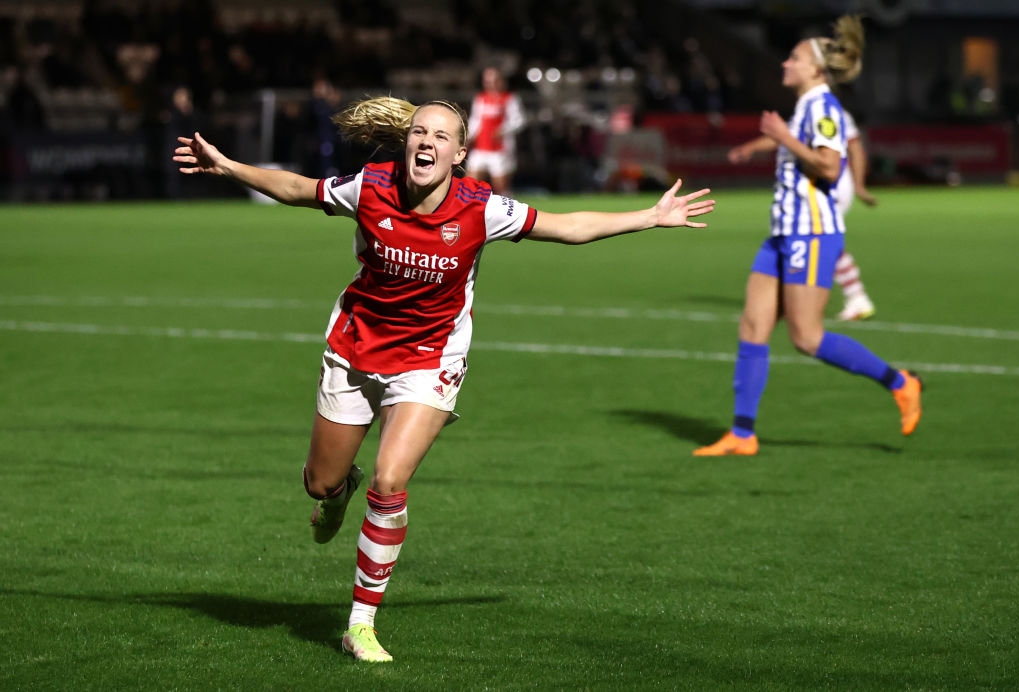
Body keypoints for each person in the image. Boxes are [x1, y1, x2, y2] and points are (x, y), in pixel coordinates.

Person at [173, 96, 715, 662]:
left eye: (440, 136)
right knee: (320, 483)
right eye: (418, 132)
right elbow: (296, 188)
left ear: (459, 154)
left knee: (390, 482)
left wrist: (648, 217)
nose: (426, 142)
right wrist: (228, 166)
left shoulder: (482, 208)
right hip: (356, 347)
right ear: (406, 142)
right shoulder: (371, 186)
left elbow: (568, 226)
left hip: (430, 359)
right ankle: (337, 491)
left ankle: (360, 625)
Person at [694, 15, 922, 457]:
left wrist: (783, 137)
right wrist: (771, 141)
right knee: (753, 326)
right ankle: (742, 434)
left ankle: (900, 383)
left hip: (812, 234)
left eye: (793, 58)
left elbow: (830, 167)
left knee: (807, 338)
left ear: (816, 69)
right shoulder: (805, 107)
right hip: (783, 234)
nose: (785, 63)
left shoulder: (824, 108)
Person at [729, 109, 878, 321]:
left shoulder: (825, 109)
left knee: (813, 238)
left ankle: (853, 298)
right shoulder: (811, 108)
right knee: (816, 239)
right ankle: (848, 297)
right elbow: (784, 138)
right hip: (820, 188)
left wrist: (860, 185)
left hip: (828, 188)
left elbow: (854, 147)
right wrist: (751, 147)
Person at [465, 67, 524, 196]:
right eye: (488, 81)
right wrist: (468, 137)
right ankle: (473, 207)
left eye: (495, 81)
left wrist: (503, 130)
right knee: (470, 184)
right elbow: (475, 121)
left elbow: (519, 121)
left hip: (500, 150)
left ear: (502, 81)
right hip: (480, 147)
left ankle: (508, 207)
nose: (491, 84)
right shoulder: (480, 99)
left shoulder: (509, 99)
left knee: (501, 187)